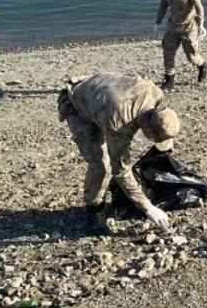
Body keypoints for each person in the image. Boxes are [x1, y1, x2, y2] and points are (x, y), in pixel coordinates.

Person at [58, 73, 181, 235]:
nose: (152, 140)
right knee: (102, 165)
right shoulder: (119, 123)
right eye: (153, 138)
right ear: (148, 128)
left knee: (113, 164)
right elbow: (120, 169)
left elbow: (162, 122)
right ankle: (93, 210)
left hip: (103, 97)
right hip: (77, 105)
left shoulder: (155, 93)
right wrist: (149, 208)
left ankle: (114, 191)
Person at [154, 0, 207, 90]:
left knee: (192, 57)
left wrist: (201, 24)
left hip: (188, 27)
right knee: (168, 52)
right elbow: (163, 6)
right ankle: (169, 80)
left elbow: (199, 7)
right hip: (173, 26)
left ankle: (203, 66)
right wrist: (157, 22)